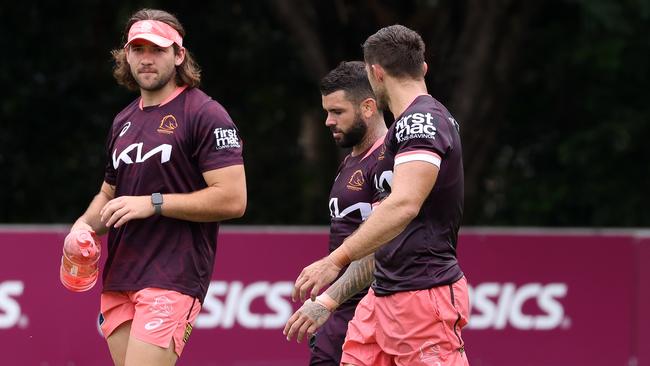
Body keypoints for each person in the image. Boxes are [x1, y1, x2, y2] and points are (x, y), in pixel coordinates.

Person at [69, 8, 246, 366]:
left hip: (173, 276)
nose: (146, 59)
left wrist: (155, 202)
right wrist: (84, 227)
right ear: (126, 55)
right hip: (120, 276)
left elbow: (233, 199)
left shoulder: (205, 113)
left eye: (158, 49)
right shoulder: (123, 120)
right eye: (138, 49)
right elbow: (109, 193)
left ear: (179, 55)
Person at [291, 24, 470, 366]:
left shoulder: (422, 121)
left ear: (375, 73)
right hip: (382, 296)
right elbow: (384, 226)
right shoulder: (404, 129)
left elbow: (403, 205)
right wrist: (330, 300)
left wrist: (334, 260)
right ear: (424, 68)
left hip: (422, 291)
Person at [283, 61, 387, 365]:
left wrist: (329, 300)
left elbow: (385, 241)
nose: (328, 121)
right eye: (326, 112)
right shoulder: (351, 160)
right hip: (341, 311)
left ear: (368, 107)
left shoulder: (388, 159)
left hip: (373, 314)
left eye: (337, 112)